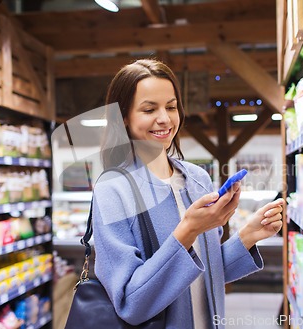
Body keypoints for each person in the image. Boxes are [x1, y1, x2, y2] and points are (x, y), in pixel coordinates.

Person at [92, 59, 284, 328]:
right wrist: (188, 231)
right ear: (123, 116)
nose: (164, 118)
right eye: (149, 109)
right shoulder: (113, 191)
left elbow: (205, 273)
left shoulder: (197, 179)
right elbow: (130, 303)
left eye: (171, 107)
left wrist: (249, 235)